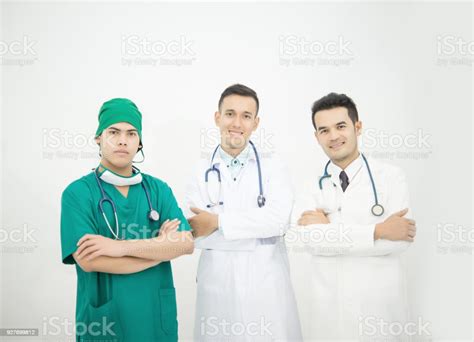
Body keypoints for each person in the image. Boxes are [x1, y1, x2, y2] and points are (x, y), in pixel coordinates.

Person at [60, 98, 194, 341]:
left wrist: (118, 247)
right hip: (106, 323)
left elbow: (185, 242)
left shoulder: (158, 189)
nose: (123, 140)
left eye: (131, 133)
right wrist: (160, 251)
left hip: (155, 321)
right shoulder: (78, 193)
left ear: (139, 142)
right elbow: (90, 261)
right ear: (98, 138)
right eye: (113, 132)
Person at [290, 92, 417, 341]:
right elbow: (306, 240)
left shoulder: (391, 177)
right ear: (317, 137)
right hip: (329, 315)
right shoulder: (309, 185)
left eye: (341, 126)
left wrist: (329, 230)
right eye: (324, 130)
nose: (334, 136)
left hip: (379, 311)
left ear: (357, 127)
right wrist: (376, 231)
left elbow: (399, 240)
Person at [185, 84, 302, 341]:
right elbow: (195, 232)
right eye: (230, 114)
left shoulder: (275, 168)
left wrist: (217, 222)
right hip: (218, 286)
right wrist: (256, 233)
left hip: (267, 287)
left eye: (246, 116)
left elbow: (278, 222)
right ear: (217, 117)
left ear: (255, 123)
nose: (237, 123)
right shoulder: (199, 170)